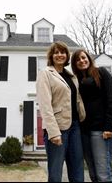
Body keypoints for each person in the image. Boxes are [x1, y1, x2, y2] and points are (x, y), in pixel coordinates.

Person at [36, 41, 86, 182]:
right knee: (56, 173)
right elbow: (45, 105)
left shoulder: (71, 76)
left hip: (75, 126)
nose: (60, 55)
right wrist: (53, 132)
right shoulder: (45, 74)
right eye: (56, 52)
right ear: (51, 56)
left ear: (67, 55)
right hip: (58, 128)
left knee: (77, 169)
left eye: (63, 52)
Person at [71, 49, 112, 182]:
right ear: (75, 64)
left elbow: (111, 99)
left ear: (89, 58)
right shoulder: (76, 81)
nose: (81, 61)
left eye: (83, 57)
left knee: (103, 173)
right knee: (92, 172)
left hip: (101, 130)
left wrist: (109, 126)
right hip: (84, 131)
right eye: (78, 60)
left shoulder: (101, 72)